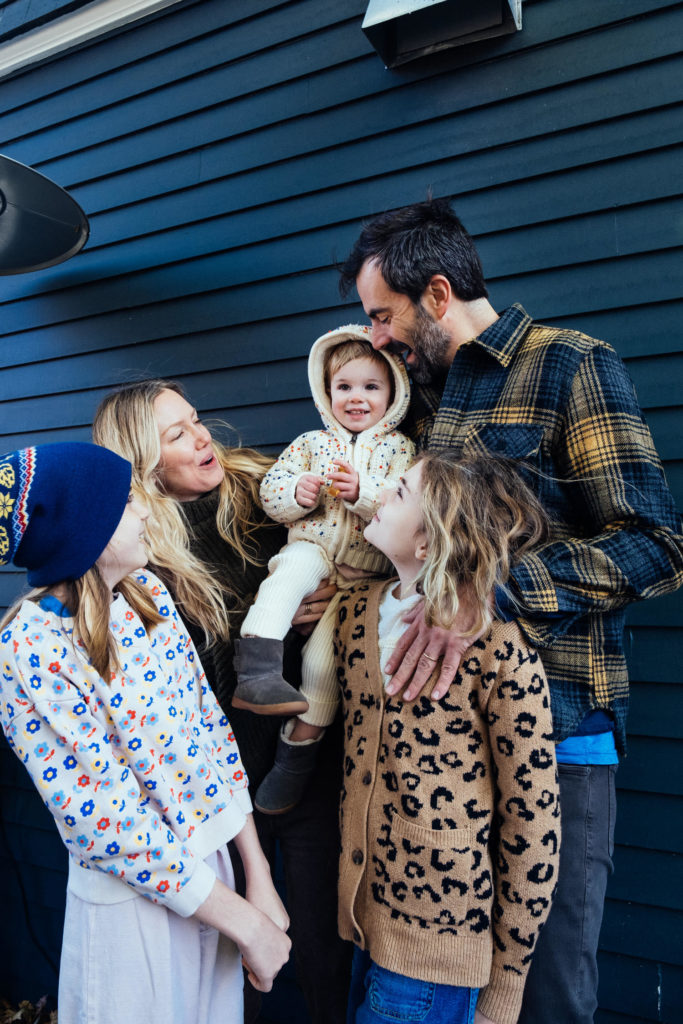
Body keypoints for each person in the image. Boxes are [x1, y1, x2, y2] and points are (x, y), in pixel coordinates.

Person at [338, 197, 683, 1024]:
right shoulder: (417, 401)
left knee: (545, 989)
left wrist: (487, 593)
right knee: (441, 983)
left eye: (381, 316)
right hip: (439, 752)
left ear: (436, 294)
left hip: (558, 727)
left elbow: (656, 543)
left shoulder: (570, 365)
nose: (374, 339)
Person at [0, 442, 290, 1024]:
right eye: (126, 501)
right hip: (135, 904)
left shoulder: (147, 596)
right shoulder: (31, 649)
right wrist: (245, 924)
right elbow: (103, 823)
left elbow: (209, 734)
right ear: (85, 529)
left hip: (215, 876)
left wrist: (257, 875)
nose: (144, 509)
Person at [92, 381, 352, 1024]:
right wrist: (263, 628)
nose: (202, 436)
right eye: (176, 434)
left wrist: (330, 593)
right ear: (140, 460)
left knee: (325, 944)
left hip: (304, 754)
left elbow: (346, 543)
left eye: (196, 420)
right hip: (214, 782)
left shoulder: (264, 492)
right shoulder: (134, 548)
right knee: (235, 956)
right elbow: (174, 680)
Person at [336, 451, 560, 1024]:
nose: (381, 493)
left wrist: (507, 987)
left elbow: (533, 820)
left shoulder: (498, 646)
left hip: (440, 953)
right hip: (363, 926)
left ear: (427, 544)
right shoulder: (355, 614)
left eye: (400, 492)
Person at [236, 325, 415, 814]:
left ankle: (295, 758)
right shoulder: (310, 443)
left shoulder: (401, 450)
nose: (356, 398)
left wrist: (364, 493)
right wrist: (297, 493)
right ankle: (256, 670)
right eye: (344, 386)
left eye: (371, 387)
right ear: (325, 391)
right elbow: (272, 493)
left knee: (323, 665)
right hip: (312, 548)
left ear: (393, 393)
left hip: (362, 578)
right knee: (286, 579)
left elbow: (407, 511)